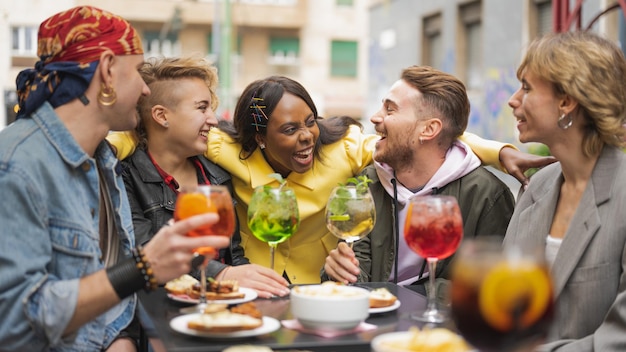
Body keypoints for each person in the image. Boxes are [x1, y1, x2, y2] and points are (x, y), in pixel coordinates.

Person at [108, 76, 553, 284]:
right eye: (288, 129)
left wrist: (500, 151)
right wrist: (109, 149)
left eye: (310, 121)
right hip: (250, 293)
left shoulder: (342, 150)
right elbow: (144, 141)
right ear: (259, 138)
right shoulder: (228, 151)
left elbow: (430, 139)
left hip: (316, 295)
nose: (306, 137)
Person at [0, 6, 229, 351]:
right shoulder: (17, 165)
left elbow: (98, 289)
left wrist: (120, 339)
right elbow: (13, 320)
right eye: (137, 71)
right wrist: (143, 267)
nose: (145, 90)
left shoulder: (103, 160)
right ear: (107, 70)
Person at [321, 66, 515, 290]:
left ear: (429, 129)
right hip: (376, 319)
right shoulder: (366, 184)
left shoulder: (487, 195)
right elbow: (355, 277)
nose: (375, 118)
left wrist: (404, 297)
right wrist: (338, 274)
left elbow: (487, 287)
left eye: (390, 110)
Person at [122, 56, 289, 298]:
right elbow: (144, 253)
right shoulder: (126, 177)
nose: (213, 119)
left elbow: (233, 255)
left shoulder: (217, 174)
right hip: (160, 318)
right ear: (161, 116)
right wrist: (221, 274)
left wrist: (253, 285)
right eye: (202, 108)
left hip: (219, 310)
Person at [503, 31, 626, 350]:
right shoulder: (537, 185)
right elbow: (503, 297)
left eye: (527, 88)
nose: (513, 100)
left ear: (567, 102)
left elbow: (619, 339)